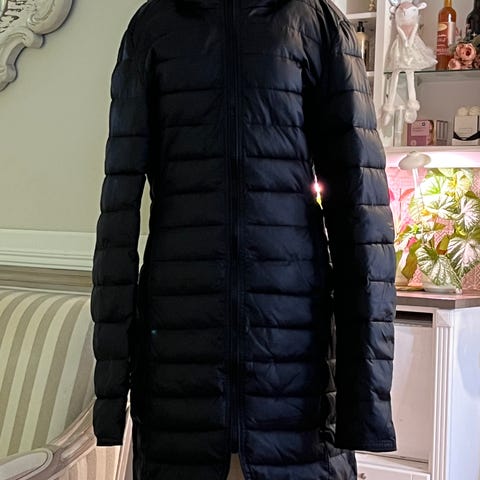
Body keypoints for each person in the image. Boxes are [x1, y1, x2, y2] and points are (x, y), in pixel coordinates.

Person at [90, 0, 397, 478]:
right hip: (179, 362)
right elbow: (118, 217)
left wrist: (365, 408)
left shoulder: (314, 23)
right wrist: (110, 399)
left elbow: (362, 218)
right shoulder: (154, 27)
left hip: (294, 361)